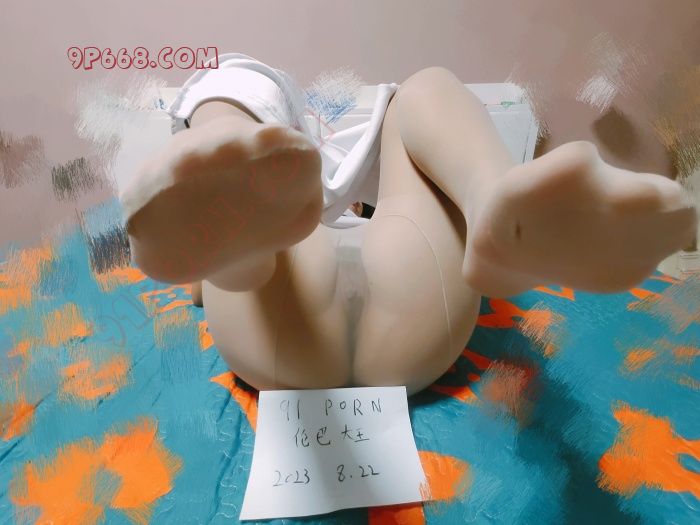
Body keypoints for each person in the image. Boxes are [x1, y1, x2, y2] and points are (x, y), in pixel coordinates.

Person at [123, 53, 697, 395]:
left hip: (275, 332)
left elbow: (194, 287)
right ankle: (489, 194)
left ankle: (224, 150)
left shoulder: (285, 219)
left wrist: (213, 278)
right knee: (424, 90)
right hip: (419, 330)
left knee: (232, 80)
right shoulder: (390, 185)